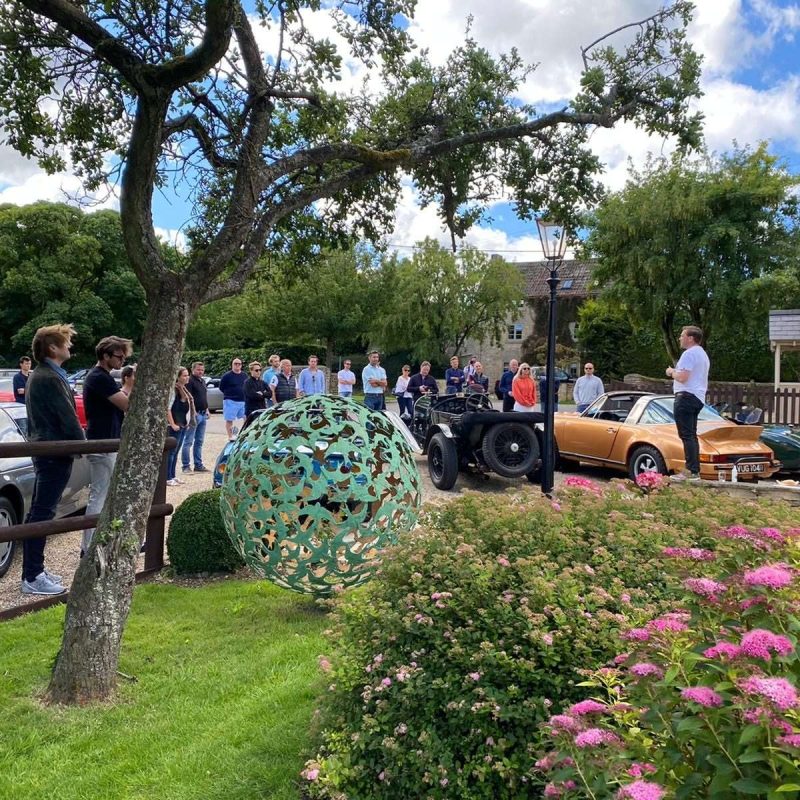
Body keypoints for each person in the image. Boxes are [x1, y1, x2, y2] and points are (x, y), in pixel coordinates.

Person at [21, 323, 85, 596]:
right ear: (52, 348)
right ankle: (32, 575)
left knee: (41, 511)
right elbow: (68, 418)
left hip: (49, 452)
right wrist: (84, 446)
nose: (70, 346)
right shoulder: (49, 377)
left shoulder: (44, 375)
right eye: (65, 342)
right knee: (42, 513)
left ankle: (34, 571)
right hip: (53, 453)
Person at [81, 335, 133, 556]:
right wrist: (130, 386)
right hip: (102, 443)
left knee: (104, 495)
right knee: (99, 495)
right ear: (105, 355)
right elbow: (127, 404)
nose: (122, 361)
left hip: (107, 441)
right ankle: (89, 547)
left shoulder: (102, 377)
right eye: (119, 357)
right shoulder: (99, 377)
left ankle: (96, 544)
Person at [667, 325, 710, 482]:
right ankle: (694, 470)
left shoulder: (689, 354)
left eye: (682, 335)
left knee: (686, 435)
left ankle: (691, 471)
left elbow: (683, 377)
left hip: (685, 396)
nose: (680, 338)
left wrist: (671, 372)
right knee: (691, 435)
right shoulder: (703, 354)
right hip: (697, 397)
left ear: (690, 338)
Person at [166, 367, 194, 486]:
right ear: (177, 377)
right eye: (184, 375)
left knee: (176, 452)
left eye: (188, 375)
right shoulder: (173, 391)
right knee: (171, 452)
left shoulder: (183, 389)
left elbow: (184, 402)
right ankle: (167, 477)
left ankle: (172, 475)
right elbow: (168, 408)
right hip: (175, 424)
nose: (187, 377)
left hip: (182, 423)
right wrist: (172, 424)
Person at [182, 361, 209, 473]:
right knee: (188, 441)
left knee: (199, 441)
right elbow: (188, 398)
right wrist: (193, 412)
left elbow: (203, 396)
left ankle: (198, 464)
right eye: (198, 370)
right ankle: (185, 465)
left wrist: (207, 409)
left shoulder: (202, 381)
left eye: (202, 370)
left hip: (203, 414)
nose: (200, 372)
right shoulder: (190, 381)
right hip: (195, 415)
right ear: (193, 370)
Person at [220, 357, 246, 440]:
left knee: (246, 418)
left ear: (241, 365)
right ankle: (230, 436)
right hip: (230, 401)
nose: (237, 365)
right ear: (232, 365)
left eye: (239, 364)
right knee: (229, 419)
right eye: (235, 363)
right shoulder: (226, 376)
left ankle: (244, 434)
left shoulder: (244, 375)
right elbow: (221, 387)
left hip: (243, 400)